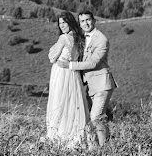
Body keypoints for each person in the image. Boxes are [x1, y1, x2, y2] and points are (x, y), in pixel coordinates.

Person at [56, 10, 116, 147]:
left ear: (94, 20)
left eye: (88, 20)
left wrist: (69, 65)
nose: (85, 23)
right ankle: (95, 148)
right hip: (89, 86)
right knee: (89, 119)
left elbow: (93, 63)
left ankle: (104, 150)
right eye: (82, 21)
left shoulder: (101, 39)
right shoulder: (81, 37)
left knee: (96, 117)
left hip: (102, 84)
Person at [45, 11, 90, 147]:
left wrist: (52, 52)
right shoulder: (79, 38)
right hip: (73, 74)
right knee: (72, 103)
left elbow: (52, 58)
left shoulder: (64, 38)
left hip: (61, 73)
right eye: (60, 23)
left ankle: (59, 136)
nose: (62, 25)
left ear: (70, 22)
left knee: (59, 102)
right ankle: (73, 134)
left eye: (64, 22)